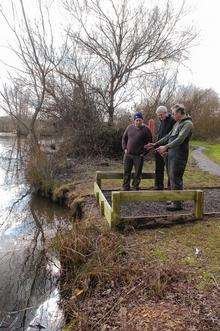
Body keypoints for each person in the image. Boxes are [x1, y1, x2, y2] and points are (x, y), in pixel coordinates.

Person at [146, 104, 193, 211]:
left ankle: (177, 203)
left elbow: (180, 139)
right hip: (172, 154)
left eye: (174, 113)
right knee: (172, 178)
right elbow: (168, 136)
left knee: (176, 178)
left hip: (179, 155)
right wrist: (155, 144)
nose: (172, 115)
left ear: (180, 113)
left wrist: (166, 146)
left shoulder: (188, 124)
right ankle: (174, 199)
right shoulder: (177, 123)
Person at [122, 112, 152, 191]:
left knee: (138, 173)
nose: (138, 122)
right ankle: (126, 187)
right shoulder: (129, 128)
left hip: (139, 156)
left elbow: (150, 144)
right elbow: (124, 139)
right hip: (128, 154)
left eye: (140, 120)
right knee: (126, 171)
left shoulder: (146, 130)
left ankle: (135, 187)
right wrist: (125, 148)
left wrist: (144, 153)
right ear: (134, 121)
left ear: (142, 120)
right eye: (136, 120)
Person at [154, 106, 175, 190]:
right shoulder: (161, 121)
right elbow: (160, 135)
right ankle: (158, 186)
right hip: (159, 149)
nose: (160, 117)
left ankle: (170, 188)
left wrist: (167, 148)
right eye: (158, 115)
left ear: (166, 113)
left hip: (167, 149)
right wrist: (156, 145)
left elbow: (171, 136)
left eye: (161, 115)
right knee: (158, 169)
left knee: (170, 170)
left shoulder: (172, 121)